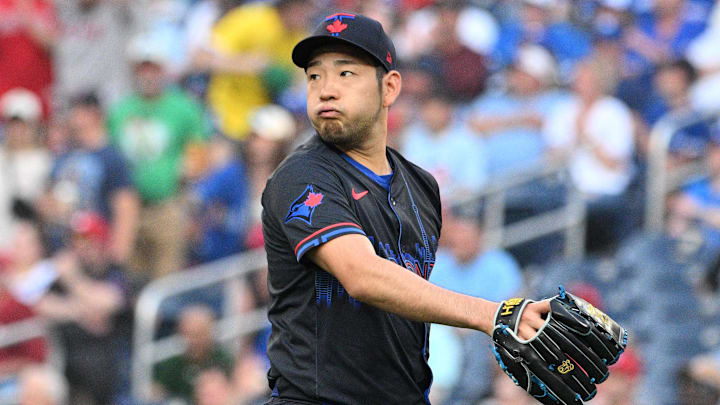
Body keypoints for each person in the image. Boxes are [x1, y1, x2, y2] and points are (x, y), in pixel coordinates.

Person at [260, 13, 550, 404]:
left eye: (346, 74)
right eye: (314, 76)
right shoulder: (302, 176)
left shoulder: (420, 185)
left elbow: (409, 307)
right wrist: (489, 313)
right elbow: (362, 275)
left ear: (390, 87)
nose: (325, 90)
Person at [108, 34, 211, 279]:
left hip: (167, 204)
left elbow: (199, 149)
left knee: (167, 275)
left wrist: (186, 177)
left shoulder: (183, 107)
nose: (148, 74)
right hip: (129, 207)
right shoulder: (121, 110)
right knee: (131, 276)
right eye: (142, 68)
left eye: (153, 67)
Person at [153, 305, 234, 403]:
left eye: (199, 334)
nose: (194, 341)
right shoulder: (170, 363)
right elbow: (156, 393)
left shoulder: (224, 360)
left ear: (210, 334)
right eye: (189, 335)